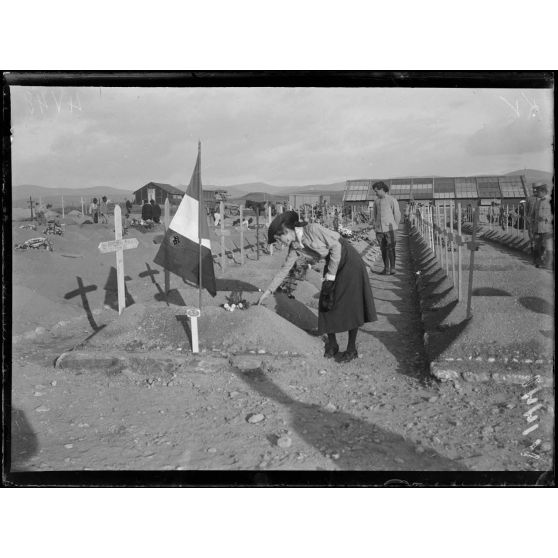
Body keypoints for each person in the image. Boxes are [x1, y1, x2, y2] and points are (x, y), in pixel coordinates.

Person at [257, 211, 377, 363]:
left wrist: (331, 275)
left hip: (348, 260)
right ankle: (333, 345)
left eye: (279, 238)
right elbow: (284, 270)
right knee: (326, 302)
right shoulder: (295, 247)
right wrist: (268, 291)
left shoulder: (313, 229)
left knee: (350, 303)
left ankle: (351, 348)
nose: (280, 243)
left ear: (286, 231)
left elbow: (336, 246)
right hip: (333, 262)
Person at [371, 181, 401, 275]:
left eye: (377, 191)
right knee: (383, 249)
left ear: (382, 189)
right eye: (375, 191)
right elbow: (375, 215)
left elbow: (397, 214)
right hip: (380, 230)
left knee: (391, 248)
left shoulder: (392, 200)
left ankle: (392, 268)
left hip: (390, 229)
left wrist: (395, 226)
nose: (376, 193)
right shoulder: (376, 201)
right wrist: (376, 226)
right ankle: (386, 268)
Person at [530, 182, 553, 269]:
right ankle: (537, 262)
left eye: (538, 191)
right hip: (537, 228)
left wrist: (546, 218)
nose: (536, 193)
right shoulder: (537, 203)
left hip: (547, 228)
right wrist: (532, 224)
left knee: (548, 246)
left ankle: (548, 264)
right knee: (537, 246)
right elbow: (532, 215)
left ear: (543, 191)